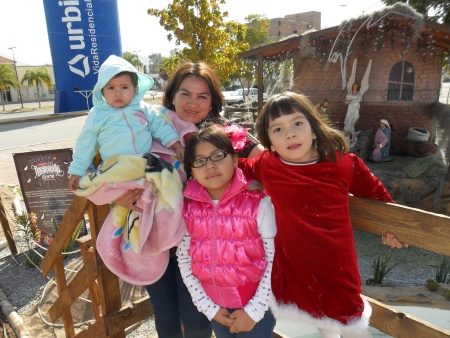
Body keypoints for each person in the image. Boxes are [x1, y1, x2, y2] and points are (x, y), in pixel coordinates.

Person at [238, 92, 407, 338]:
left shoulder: (342, 165)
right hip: (298, 267)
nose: (290, 134)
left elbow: (378, 196)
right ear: (270, 143)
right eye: (278, 129)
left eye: (297, 123)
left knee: (353, 326)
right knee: (323, 324)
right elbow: (240, 164)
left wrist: (392, 228)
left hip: (337, 268)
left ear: (314, 129)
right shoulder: (268, 166)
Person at [116, 61, 264, 338]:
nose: (192, 103)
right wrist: (119, 197)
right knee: (165, 311)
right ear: (172, 95)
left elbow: (267, 160)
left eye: (202, 96)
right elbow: (111, 167)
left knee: (197, 320)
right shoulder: (146, 127)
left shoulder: (222, 136)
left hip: (201, 244)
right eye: (185, 93)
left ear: (213, 102)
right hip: (154, 237)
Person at [178, 125, 276, 337]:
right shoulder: (188, 207)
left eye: (217, 156)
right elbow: (184, 259)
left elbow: (274, 259)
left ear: (234, 159)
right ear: (192, 170)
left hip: (256, 310)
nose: (210, 166)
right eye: (200, 160)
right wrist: (208, 307)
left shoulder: (259, 202)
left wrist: (254, 310)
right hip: (216, 310)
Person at [67, 55, 184, 191]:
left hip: (144, 162)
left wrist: (176, 145)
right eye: (111, 88)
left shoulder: (142, 108)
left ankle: (167, 204)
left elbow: (159, 126)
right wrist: (77, 170)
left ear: (135, 89)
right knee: (117, 192)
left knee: (167, 182)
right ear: (102, 91)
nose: (118, 93)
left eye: (124, 87)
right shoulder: (97, 114)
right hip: (114, 165)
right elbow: (85, 143)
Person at [343, 59, 371, 133]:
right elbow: (346, 102)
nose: (355, 87)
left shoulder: (358, 94)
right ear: (352, 86)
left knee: (353, 119)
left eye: (356, 86)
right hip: (350, 107)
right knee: (348, 118)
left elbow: (359, 99)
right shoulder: (349, 93)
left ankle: (351, 129)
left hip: (356, 107)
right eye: (354, 86)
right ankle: (346, 129)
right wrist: (349, 101)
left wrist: (353, 100)